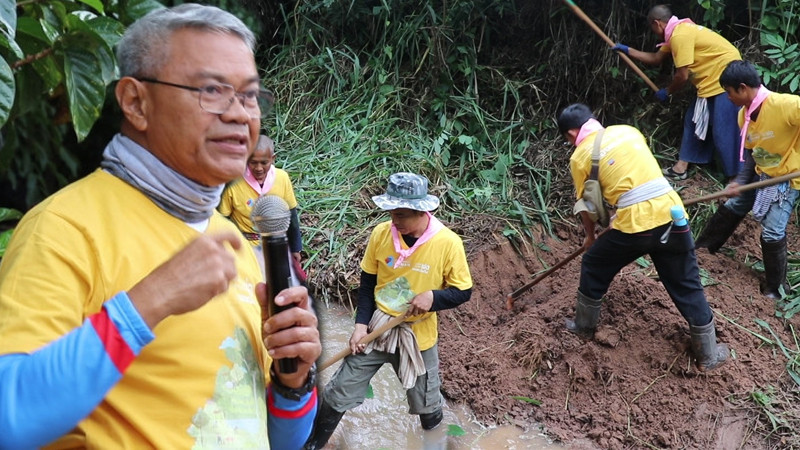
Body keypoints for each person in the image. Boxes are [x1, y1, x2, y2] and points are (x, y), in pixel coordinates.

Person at [0, 4, 320, 449]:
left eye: (249, 95)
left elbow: (277, 439)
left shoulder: (235, 248)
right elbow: (8, 420)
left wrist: (293, 381)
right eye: (211, 89)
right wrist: (149, 302)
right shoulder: (63, 230)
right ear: (136, 102)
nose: (240, 114)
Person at [306, 172, 473, 448]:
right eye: (392, 213)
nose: (395, 221)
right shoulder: (382, 234)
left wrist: (433, 297)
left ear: (423, 211)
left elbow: (463, 291)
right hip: (376, 327)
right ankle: (313, 445)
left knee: (427, 403)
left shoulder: (447, 243)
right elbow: (368, 281)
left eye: (402, 215)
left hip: (417, 336)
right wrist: (360, 325)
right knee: (338, 393)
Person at [557, 103, 728, 372]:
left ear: (571, 133)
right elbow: (636, 174)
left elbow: (587, 206)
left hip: (636, 224)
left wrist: (590, 237)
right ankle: (708, 354)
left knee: (594, 263)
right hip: (673, 214)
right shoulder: (628, 131)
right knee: (686, 283)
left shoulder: (580, 156)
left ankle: (583, 327)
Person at [695, 60, 800, 299]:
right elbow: (752, 152)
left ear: (742, 88)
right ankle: (702, 251)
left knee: (772, 233)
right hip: (761, 174)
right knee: (733, 205)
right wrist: (740, 181)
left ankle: (776, 289)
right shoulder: (745, 115)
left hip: (787, 179)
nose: (728, 98)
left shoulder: (786, 105)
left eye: (729, 93)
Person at [613, 4, 741, 181]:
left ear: (657, 23)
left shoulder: (680, 35)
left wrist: (668, 91)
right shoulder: (676, 32)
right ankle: (681, 168)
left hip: (725, 79)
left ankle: (736, 179)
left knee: (724, 129)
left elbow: (682, 76)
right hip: (709, 81)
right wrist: (626, 50)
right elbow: (656, 58)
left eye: (652, 28)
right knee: (693, 121)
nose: (653, 32)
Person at [219, 134, 304, 269]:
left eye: (264, 162)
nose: (259, 168)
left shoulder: (282, 178)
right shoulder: (233, 183)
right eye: (253, 162)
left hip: (277, 244)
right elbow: (222, 220)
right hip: (245, 248)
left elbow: (292, 214)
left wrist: (295, 248)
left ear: (273, 159)